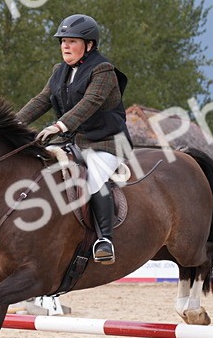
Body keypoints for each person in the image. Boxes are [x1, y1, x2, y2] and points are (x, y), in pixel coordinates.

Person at [16, 14, 129, 265]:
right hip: (72, 140)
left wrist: (59, 125)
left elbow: (91, 103)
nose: (65, 46)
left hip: (105, 141)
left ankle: (104, 240)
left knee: (94, 175)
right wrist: (12, 124)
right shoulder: (59, 71)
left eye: (72, 41)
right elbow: (41, 100)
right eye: (63, 41)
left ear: (89, 45)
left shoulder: (103, 70)